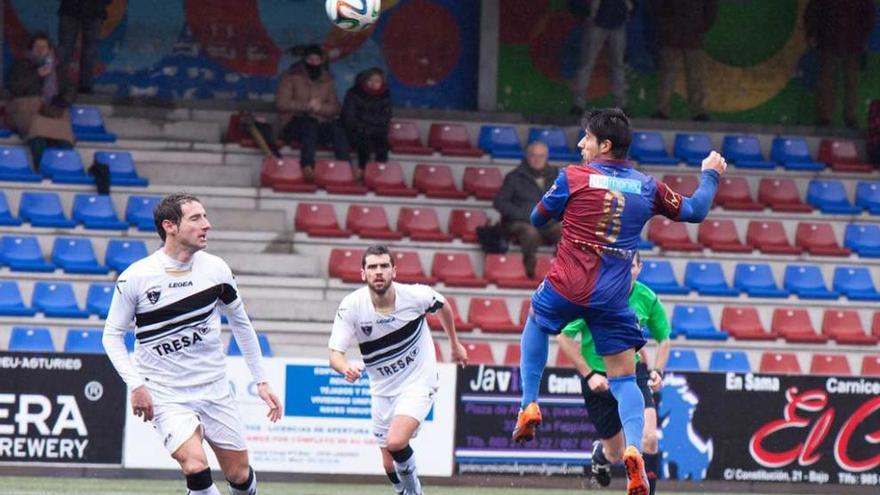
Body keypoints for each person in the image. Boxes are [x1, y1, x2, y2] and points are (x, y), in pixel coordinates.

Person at [512, 108, 726, 495]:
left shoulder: (573, 177)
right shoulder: (647, 186)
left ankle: (529, 402)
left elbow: (536, 218)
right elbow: (696, 210)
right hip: (612, 297)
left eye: (587, 138)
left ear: (604, 145)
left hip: (566, 285)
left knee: (537, 323)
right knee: (625, 379)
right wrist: (710, 172)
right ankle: (632, 448)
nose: (581, 144)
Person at [102, 193, 283, 495]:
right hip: (165, 391)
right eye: (196, 218)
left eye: (205, 217)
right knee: (195, 465)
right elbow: (111, 335)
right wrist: (136, 385)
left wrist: (261, 380)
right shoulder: (136, 277)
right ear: (169, 226)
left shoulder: (216, 270)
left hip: (213, 388)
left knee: (238, 475)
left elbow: (241, 323)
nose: (207, 225)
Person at [329, 245, 468, 495]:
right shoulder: (351, 306)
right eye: (372, 267)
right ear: (363, 274)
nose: (378, 272)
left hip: (418, 382)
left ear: (394, 270)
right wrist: (345, 368)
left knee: (396, 442)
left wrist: (455, 344)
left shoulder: (415, 296)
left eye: (384, 266)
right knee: (388, 462)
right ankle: (403, 491)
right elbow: (335, 355)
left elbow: (443, 305)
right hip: (382, 389)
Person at [558, 252, 671, 495]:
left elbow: (664, 339)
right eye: (622, 266)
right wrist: (589, 375)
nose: (626, 271)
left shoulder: (647, 298)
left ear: (639, 268)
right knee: (616, 453)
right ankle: (601, 455)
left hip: (633, 374)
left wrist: (658, 371)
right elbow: (564, 336)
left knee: (649, 439)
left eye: (631, 266)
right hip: (598, 378)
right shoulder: (594, 296)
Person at [275, 44, 351, 182]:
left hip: (320, 123)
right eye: (310, 59)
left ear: (321, 61)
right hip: (293, 123)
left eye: (317, 60)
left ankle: (346, 167)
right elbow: (281, 103)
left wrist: (320, 107)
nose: (314, 63)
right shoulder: (291, 76)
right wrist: (307, 106)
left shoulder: (327, 79)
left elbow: (335, 108)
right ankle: (307, 167)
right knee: (309, 125)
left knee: (337, 128)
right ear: (304, 59)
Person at [6, 32, 76, 168]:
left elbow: (70, 89)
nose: (40, 50)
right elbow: (16, 88)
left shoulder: (59, 68)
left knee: (63, 132)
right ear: (31, 49)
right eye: (36, 47)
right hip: (27, 109)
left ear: (50, 50)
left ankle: (65, 167)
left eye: (44, 47)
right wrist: (37, 74)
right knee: (38, 127)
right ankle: (42, 167)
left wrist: (60, 102)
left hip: (52, 110)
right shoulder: (21, 65)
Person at [493, 141, 561, 278]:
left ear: (546, 157)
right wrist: (524, 215)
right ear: (527, 156)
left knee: (567, 230)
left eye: (541, 156)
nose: (537, 159)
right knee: (530, 232)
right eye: (534, 156)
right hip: (521, 222)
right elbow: (500, 202)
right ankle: (530, 272)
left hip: (549, 222)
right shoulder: (514, 177)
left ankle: (561, 271)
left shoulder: (557, 176)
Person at [804, 0, 876, 128]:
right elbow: (813, 11)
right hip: (837, 41)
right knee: (834, 81)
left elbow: (869, 15)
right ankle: (833, 117)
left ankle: (839, 117)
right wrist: (812, 32)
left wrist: (812, 32)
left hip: (843, 41)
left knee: (842, 81)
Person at [647, 0, 717, 121]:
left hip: (692, 35)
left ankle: (697, 111)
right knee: (668, 75)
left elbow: (710, 9)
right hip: (674, 36)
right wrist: (666, 27)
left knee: (694, 76)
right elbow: (658, 7)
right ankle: (662, 109)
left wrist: (701, 27)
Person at [571, 0, 633, 115]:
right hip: (600, 21)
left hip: (616, 21)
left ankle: (619, 104)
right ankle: (579, 104)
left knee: (615, 65)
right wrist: (591, 14)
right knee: (588, 63)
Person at [342, 67, 391, 173]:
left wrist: (365, 119)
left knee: (383, 144)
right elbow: (349, 118)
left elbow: (385, 119)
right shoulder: (353, 94)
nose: (373, 83)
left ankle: (380, 172)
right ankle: (363, 170)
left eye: (377, 81)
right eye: (370, 80)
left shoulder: (385, 96)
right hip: (356, 131)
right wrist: (366, 124)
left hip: (377, 131)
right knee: (363, 139)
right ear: (364, 80)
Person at [57, 0, 111, 94]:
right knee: (86, 50)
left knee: (67, 48)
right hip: (89, 9)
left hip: (78, 8)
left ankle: (62, 84)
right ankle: (82, 86)